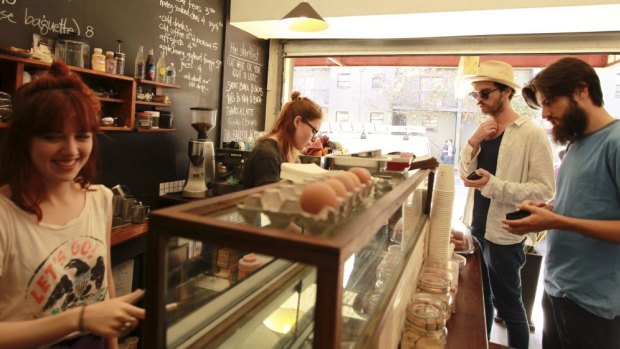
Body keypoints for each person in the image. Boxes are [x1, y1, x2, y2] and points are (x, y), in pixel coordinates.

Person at [0, 62, 145, 349]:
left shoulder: (100, 198)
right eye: (52, 136)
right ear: (24, 141)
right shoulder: (5, 216)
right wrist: (79, 319)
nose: (71, 150)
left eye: (82, 136)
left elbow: (105, 290)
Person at [503, 57, 620, 349]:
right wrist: (549, 210)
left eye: (550, 102)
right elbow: (590, 205)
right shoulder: (577, 144)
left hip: (595, 306)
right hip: (558, 290)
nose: (544, 114)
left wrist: (556, 221)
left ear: (581, 91)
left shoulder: (615, 143)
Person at [459, 60, 555, 349]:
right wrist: (474, 141)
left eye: (485, 93)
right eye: (475, 94)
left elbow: (544, 190)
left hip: (504, 233)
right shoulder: (482, 129)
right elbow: (465, 174)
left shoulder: (531, 134)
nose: (479, 100)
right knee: (480, 300)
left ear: (506, 93)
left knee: (510, 308)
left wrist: (494, 185)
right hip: (476, 227)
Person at [243, 91, 323, 188]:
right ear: (297, 122)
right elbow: (271, 201)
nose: (314, 139)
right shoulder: (267, 156)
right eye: (314, 131)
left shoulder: (289, 153)